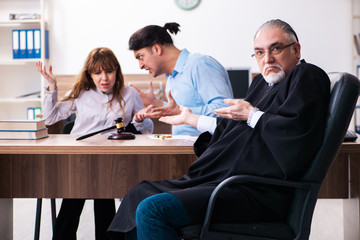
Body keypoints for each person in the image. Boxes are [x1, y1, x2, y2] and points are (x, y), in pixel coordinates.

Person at [107, 19, 330, 240]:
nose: (268, 58)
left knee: (152, 209)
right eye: (259, 53)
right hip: (230, 181)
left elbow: (294, 135)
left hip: (255, 191)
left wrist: (252, 115)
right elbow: (234, 126)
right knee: (139, 193)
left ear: (296, 49)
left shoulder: (307, 75)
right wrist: (191, 119)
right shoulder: (263, 83)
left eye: (276, 49)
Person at [36, 47, 153, 240]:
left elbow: (148, 128)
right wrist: (51, 86)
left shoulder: (129, 93)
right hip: (79, 159)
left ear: (116, 70)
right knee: (72, 202)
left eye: (108, 71)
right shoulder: (82, 92)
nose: (104, 78)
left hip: (112, 161)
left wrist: (139, 121)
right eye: (97, 73)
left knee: (105, 198)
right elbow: (50, 118)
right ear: (90, 75)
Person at [128, 22, 234, 135]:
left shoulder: (200, 64)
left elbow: (225, 109)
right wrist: (157, 104)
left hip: (207, 149)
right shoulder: (171, 78)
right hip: (184, 147)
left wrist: (181, 112)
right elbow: (177, 110)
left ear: (156, 49)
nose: (140, 66)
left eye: (140, 57)